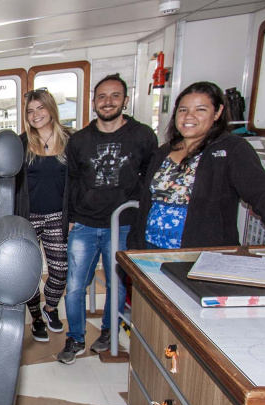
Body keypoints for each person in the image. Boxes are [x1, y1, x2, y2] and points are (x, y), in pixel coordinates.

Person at [128, 81, 265, 250]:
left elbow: (262, 193)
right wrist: (135, 245)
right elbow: (147, 202)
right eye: (183, 109)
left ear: (218, 112)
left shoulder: (232, 149)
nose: (189, 116)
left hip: (199, 254)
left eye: (200, 109)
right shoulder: (163, 152)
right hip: (150, 249)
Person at [58, 73, 158, 364]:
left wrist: (142, 218)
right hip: (86, 224)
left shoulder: (142, 136)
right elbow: (73, 181)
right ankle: (75, 337)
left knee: (117, 285)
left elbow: (150, 178)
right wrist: (71, 218)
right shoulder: (80, 140)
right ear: (93, 103)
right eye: (101, 96)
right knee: (75, 285)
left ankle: (107, 333)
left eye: (115, 96)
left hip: (124, 224)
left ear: (125, 100)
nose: (108, 102)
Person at [16, 89, 71, 343]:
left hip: (59, 216)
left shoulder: (70, 140)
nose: (35, 114)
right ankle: (36, 316)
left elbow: (78, 182)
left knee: (60, 271)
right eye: (30, 111)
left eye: (40, 108)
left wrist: (74, 215)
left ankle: (50, 308)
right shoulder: (22, 143)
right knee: (29, 273)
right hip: (29, 217)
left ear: (50, 109)